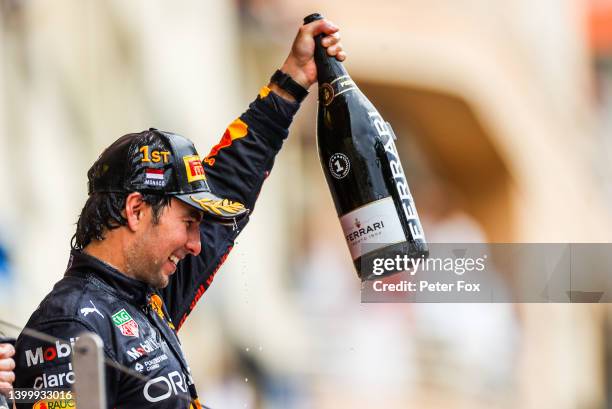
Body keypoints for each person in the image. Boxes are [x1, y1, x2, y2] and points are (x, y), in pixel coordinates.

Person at [13, 18, 345, 408]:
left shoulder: (143, 295)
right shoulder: (73, 325)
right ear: (136, 210)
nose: (195, 243)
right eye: (188, 223)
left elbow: (229, 190)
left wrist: (291, 82)